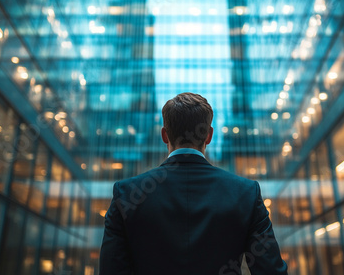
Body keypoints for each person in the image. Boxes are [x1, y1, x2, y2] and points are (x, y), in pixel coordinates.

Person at [99, 92, 288, 275]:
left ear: (165, 135)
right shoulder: (246, 193)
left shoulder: (125, 194)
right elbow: (270, 270)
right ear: (209, 135)